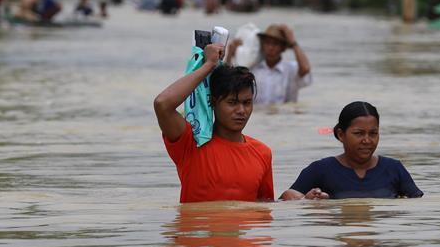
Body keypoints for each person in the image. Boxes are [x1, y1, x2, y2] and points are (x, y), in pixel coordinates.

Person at [154, 43, 274, 203]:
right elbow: (162, 104)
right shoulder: (192, 142)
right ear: (213, 102)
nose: (241, 110)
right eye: (232, 102)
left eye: (247, 103)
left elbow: (264, 207)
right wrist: (209, 65)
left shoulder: (262, 153)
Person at [280, 101, 423, 200]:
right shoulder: (320, 170)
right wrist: (305, 200)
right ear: (341, 135)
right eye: (359, 133)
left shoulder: (394, 168)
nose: (367, 140)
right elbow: (286, 198)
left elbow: (417, 204)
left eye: (373, 133)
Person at [225, 23, 311, 104]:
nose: (270, 48)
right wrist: (230, 54)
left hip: (284, 116)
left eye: (275, 44)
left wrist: (293, 43)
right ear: (262, 46)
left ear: (283, 48)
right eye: (267, 43)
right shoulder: (252, 70)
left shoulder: (290, 69)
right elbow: (229, 82)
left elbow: (306, 68)